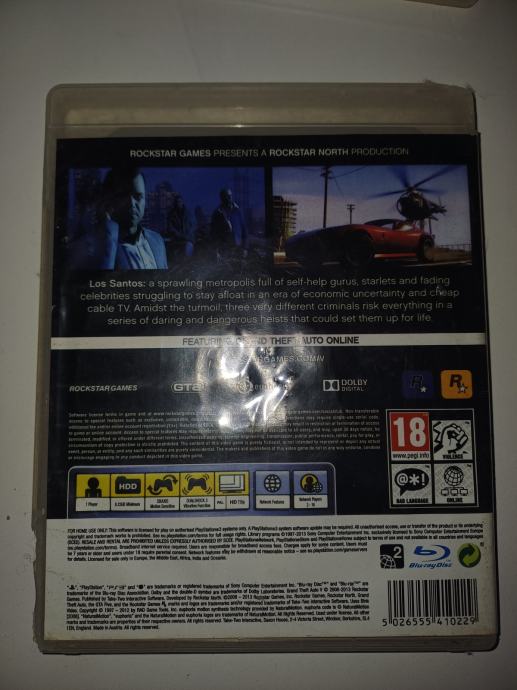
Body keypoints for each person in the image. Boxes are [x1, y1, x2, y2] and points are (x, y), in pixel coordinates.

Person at [69, 166, 167, 270]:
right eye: (123, 196)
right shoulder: (90, 247)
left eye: (138, 197)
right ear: (108, 200)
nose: (132, 203)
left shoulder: (157, 241)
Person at [210, 188, 248, 261]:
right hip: (224, 250)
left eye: (230, 195)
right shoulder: (217, 213)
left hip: (238, 249)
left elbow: (244, 230)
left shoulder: (238, 211)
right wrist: (215, 251)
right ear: (222, 198)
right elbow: (213, 233)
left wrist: (245, 248)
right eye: (227, 196)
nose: (230, 197)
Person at [166, 193, 195, 260]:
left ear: (182, 202)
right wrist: (178, 234)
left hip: (187, 238)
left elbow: (193, 225)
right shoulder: (171, 214)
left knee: (188, 248)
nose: (178, 203)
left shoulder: (188, 213)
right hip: (176, 239)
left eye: (180, 201)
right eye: (177, 202)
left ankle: (187, 262)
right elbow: (170, 227)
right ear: (175, 203)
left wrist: (188, 234)